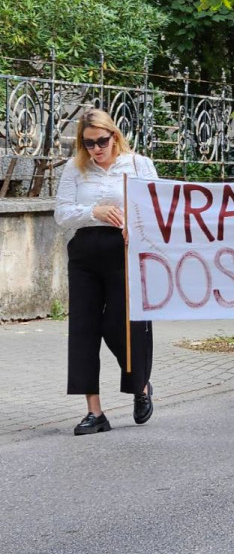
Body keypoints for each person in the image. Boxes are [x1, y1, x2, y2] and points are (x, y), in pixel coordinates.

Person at [55, 108, 157, 435]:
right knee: (83, 329)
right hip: (85, 250)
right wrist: (93, 210)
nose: (96, 149)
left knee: (122, 324)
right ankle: (95, 412)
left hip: (124, 250)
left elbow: (156, 206)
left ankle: (140, 385)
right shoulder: (74, 169)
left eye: (101, 141)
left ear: (114, 136)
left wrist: (136, 226)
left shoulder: (139, 164)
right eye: (88, 143)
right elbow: (62, 214)